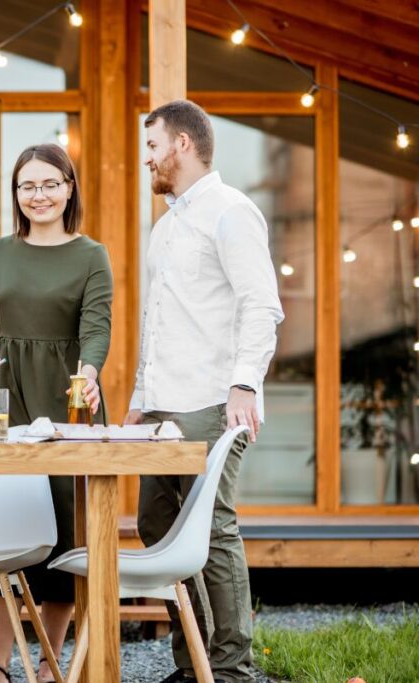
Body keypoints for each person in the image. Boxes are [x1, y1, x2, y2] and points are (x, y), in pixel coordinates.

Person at [127, 99, 284, 683]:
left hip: (214, 402)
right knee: (158, 529)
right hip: (161, 408)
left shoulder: (231, 212)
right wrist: (142, 396)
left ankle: (232, 667)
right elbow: (159, 321)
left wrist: (245, 384)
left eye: (152, 146)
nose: (147, 159)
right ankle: (192, 661)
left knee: (211, 530)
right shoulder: (165, 226)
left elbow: (261, 305)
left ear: (182, 145)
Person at [0, 143, 113, 683]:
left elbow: (96, 328)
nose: (39, 194)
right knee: (5, 531)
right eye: (28, 185)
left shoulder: (91, 254)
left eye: (50, 183)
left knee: (65, 535)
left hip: (70, 400)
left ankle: (48, 666)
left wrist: (90, 373)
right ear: (16, 193)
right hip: (7, 402)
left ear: (69, 187)